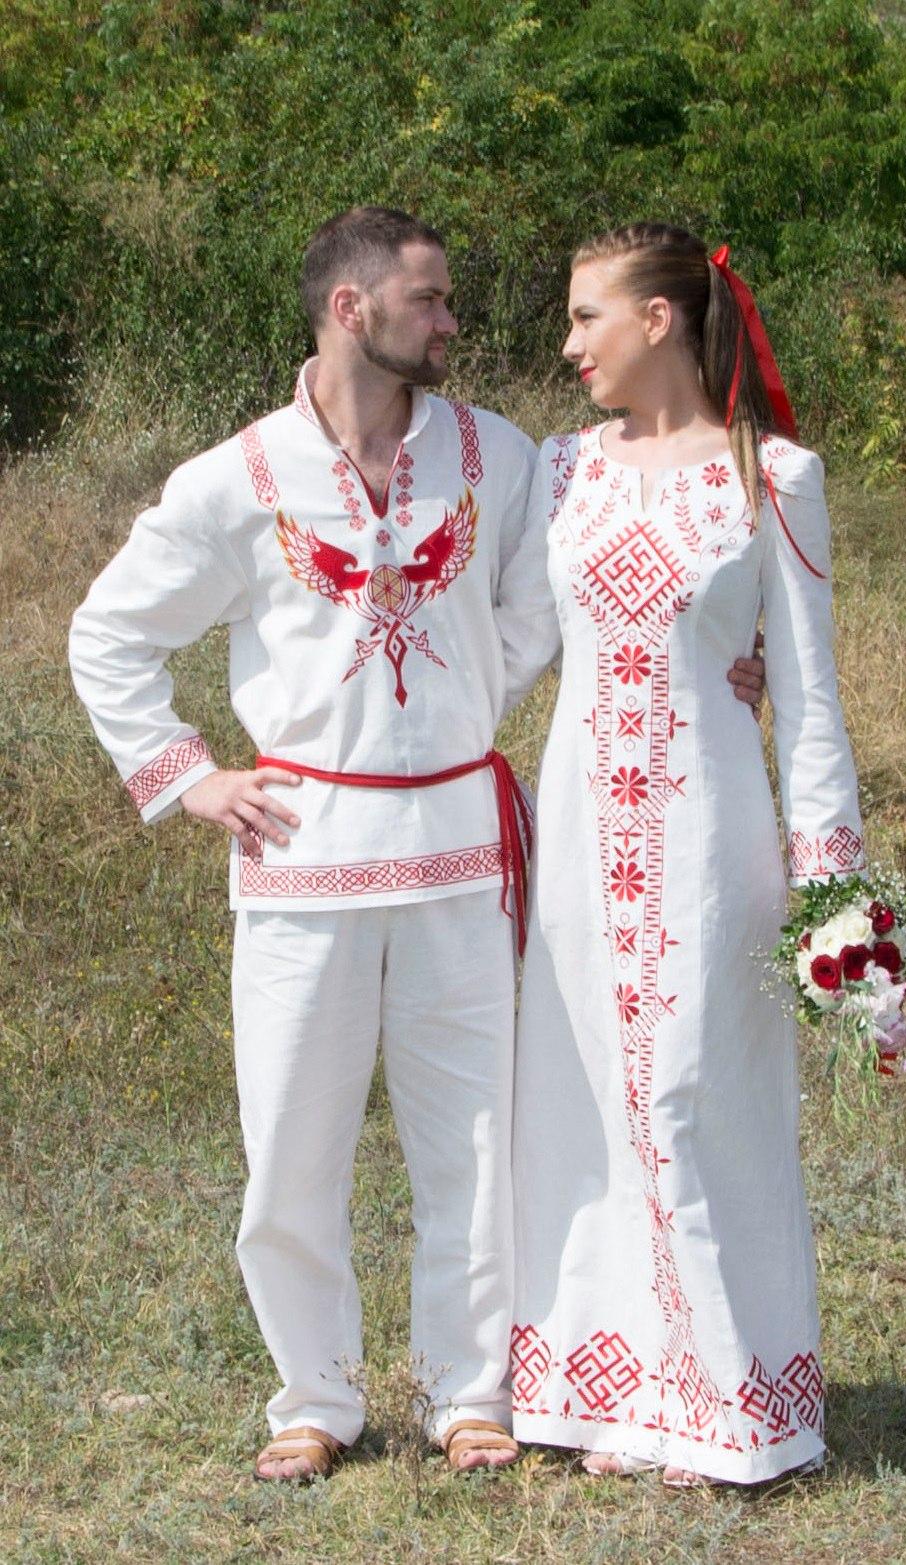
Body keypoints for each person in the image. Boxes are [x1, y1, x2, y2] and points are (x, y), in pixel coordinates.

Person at [69, 204, 768, 1482]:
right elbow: (109, 632)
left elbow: (555, 598)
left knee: (475, 1140)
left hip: (459, 851)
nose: (453, 320)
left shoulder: (500, 454)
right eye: (430, 299)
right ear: (353, 309)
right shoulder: (242, 476)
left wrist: (481, 701)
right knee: (292, 1146)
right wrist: (190, 777)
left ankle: (469, 1387)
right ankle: (312, 1395)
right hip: (301, 856)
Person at [499, 224, 865, 1486]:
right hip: (581, 838)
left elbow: (809, 700)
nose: (569, 344)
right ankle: (614, 1394)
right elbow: (513, 647)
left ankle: (727, 1395)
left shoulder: (775, 476)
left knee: (693, 1100)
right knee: (591, 1100)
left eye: (586, 315)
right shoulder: (561, 469)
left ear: (659, 319)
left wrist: (837, 896)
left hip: (713, 840)